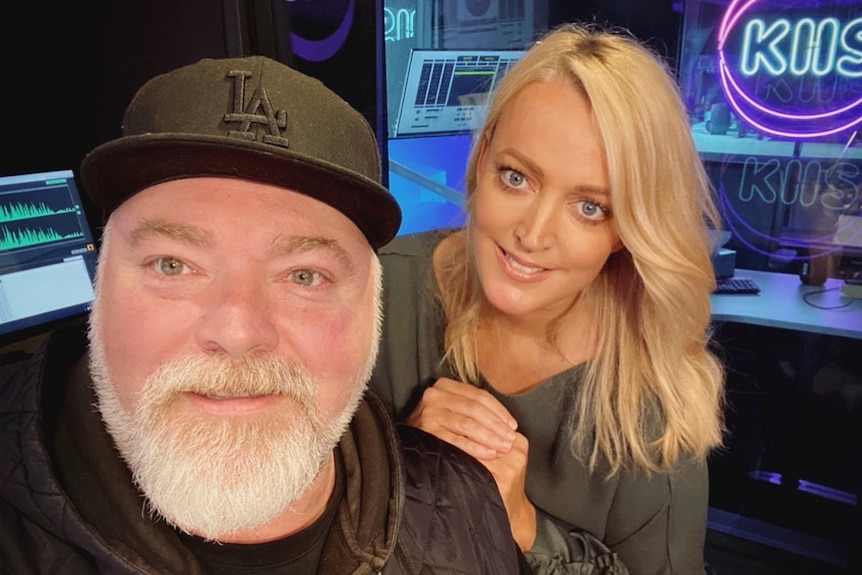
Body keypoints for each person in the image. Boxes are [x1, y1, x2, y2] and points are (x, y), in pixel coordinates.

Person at [0, 56, 532, 574]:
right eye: (173, 265)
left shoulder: (469, 508)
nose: (236, 331)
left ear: (373, 314)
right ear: (103, 288)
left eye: (304, 276)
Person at [370, 23, 726, 575]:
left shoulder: (652, 409)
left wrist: (522, 524)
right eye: (517, 178)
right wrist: (401, 458)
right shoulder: (376, 291)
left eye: (590, 207)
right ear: (483, 156)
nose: (533, 234)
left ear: (628, 231)